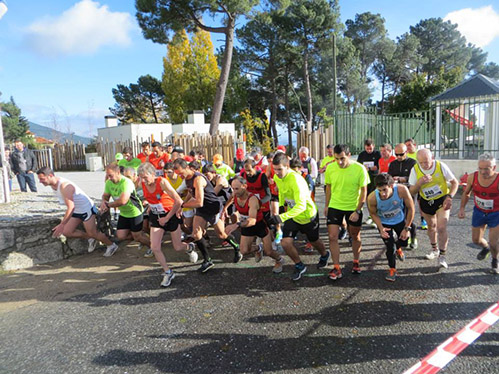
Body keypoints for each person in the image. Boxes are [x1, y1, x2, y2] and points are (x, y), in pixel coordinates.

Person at [268, 152, 330, 281]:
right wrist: (280, 208)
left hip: (307, 215)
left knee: (314, 241)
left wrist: (281, 217)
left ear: (287, 166)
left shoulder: (296, 180)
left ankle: (324, 254)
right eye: (275, 169)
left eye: (280, 169)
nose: (277, 173)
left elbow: (301, 206)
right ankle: (299, 265)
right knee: (285, 243)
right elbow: (281, 193)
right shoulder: (278, 177)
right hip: (293, 215)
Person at [173, 158, 241, 272]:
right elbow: (191, 192)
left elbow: (199, 201)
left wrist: (183, 205)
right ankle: (207, 260)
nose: (180, 176)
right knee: (196, 234)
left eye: (180, 173)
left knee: (221, 235)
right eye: (177, 174)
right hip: (202, 210)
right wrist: (182, 204)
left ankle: (237, 247)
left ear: (187, 168)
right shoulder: (187, 179)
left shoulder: (198, 179)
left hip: (213, 208)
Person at [138, 163, 198, 287]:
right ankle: (168, 272)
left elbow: (178, 201)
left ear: (153, 174)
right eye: (141, 177)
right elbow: (152, 198)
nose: (143, 180)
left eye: (145, 177)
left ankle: (189, 247)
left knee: (177, 247)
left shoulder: (162, 182)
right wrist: (150, 205)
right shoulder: (141, 184)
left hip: (170, 215)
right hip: (156, 216)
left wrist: (167, 217)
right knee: (154, 247)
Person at [36, 167, 117, 255]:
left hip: (86, 208)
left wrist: (62, 224)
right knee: (67, 232)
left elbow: (71, 207)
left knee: (93, 232)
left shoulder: (64, 186)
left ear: (50, 176)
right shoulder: (53, 185)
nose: (40, 182)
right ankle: (90, 238)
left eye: (42, 179)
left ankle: (111, 245)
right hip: (77, 210)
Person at [324, 144, 370, 280]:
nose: (339, 162)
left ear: (349, 155)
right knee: (332, 237)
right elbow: (328, 187)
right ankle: (336, 267)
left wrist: (358, 210)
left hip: (352, 207)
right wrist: (326, 205)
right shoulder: (331, 168)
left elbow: (364, 191)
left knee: (355, 236)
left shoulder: (359, 168)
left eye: (342, 158)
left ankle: (356, 261)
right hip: (335, 206)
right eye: (336, 158)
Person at [409, 149, 459, 269]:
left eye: (427, 162)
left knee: (441, 227)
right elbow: (411, 191)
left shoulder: (440, 166)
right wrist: (419, 183)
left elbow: (455, 183)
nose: (425, 165)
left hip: (442, 199)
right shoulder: (415, 170)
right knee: (431, 227)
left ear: (432, 157)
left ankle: (442, 256)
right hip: (426, 201)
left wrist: (450, 197)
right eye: (421, 163)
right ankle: (434, 249)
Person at [225, 177, 285, 272]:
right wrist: (224, 209)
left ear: (245, 186)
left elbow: (252, 220)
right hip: (246, 224)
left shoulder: (252, 199)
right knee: (244, 250)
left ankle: (279, 260)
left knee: (269, 251)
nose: (234, 191)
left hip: (259, 224)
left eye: (237, 188)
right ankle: (258, 248)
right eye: (233, 188)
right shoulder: (235, 194)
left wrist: (236, 225)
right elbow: (230, 199)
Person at [368, 174, 415, 281]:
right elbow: (373, 214)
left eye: (384, 190)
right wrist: (380, 228)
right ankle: (392, 269)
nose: (382, 194)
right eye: (379, 190)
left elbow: (411, 208)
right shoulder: (372, 197)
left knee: (404, 242)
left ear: (391, 186)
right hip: (384, 223)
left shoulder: (401, 190)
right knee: (390, 247)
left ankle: (398, 247)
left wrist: (407, 228)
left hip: (399, 220)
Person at [458, 153, 499, 274]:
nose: (482, 172)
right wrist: (461, 209)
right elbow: (466, 193)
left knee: (494, 241)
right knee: (476, 240)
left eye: (486, 168)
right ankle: (485, 248)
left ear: (494, 168)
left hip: (496, 213)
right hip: (479, 212)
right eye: (480, 168)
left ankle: (495, 260)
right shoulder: (473, 177)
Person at [100, 163, 150, 257]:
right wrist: (103, 201)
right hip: (124, 213)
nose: (108, 178)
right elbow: (106, 195)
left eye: (110, 175)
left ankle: (151, 246)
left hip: (135, 211)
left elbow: (123, 201)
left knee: (137, 236)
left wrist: (108, 205)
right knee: (121, 236)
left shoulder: (126, 182)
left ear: (118, 172)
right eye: (107, 175)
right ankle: (141, 236)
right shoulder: (108, 182)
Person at [387, 143, 418, 249]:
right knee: (399, 216)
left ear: (406, 152)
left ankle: (413, 237)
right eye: (396, 154)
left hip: (409, 192)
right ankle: (402, 237)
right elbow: (389, 177)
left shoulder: (413, 163)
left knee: (409, 215)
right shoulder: (393, 164)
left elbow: (416, 178)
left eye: (401, 154)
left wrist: (403, 179)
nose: (399, 157)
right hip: (396, 193)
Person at [123, 167, 150, 256]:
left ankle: (153, 244)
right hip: (135, 210)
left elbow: (153, 193)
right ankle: (147, 241)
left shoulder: (143, 183)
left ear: (135, 176)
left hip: (148, 207)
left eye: (129, 177)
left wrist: (148, 201)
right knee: (140, 229)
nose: (127, 179)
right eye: (125, 177)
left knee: (145, 227)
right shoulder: (125, 185)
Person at [356, 139, 381, 226]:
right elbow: (358, 165)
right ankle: (371, 215)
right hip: (365, 179)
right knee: (366, 197)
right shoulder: (362, 155)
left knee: (374, 197)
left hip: (374, 178)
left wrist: (374, 168)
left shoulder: (377, 154)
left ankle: (376, 216)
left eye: (370, 148)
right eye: (367, 148)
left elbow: (380, 164)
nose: (369, 150)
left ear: (373, 146)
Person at [404, 138, 427, 229]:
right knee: (409, 203)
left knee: (421, 202)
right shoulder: (405, 155)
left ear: (415, 145)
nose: (408, 147)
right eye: (406, 145)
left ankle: (423, 219)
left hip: (420, 181)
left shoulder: (419, 154)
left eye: (409, 145)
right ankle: (408, 221)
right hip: (410, 182)